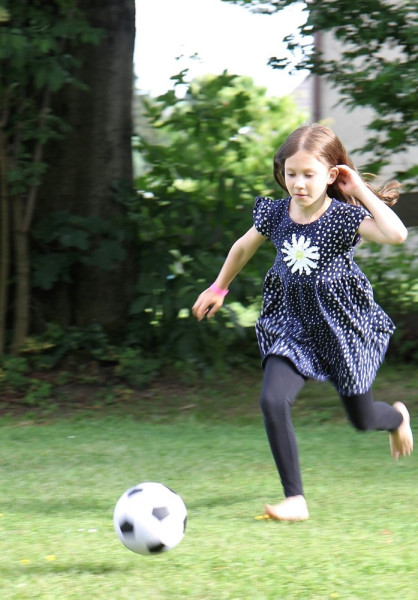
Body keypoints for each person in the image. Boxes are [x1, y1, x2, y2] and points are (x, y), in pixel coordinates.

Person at [192, 123, 413, 522]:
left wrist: (358, 189)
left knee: (362, 419)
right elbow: (243, 247)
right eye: (290, 173)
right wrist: (218, 288)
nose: (297, 183)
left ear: (331, 175)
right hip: (290, 325)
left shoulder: (344, 218)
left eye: (308, 174)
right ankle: (295, 499)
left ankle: (396, 417)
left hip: (341, 327)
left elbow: (396, 235)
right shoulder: (276, 213)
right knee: (272, 399)